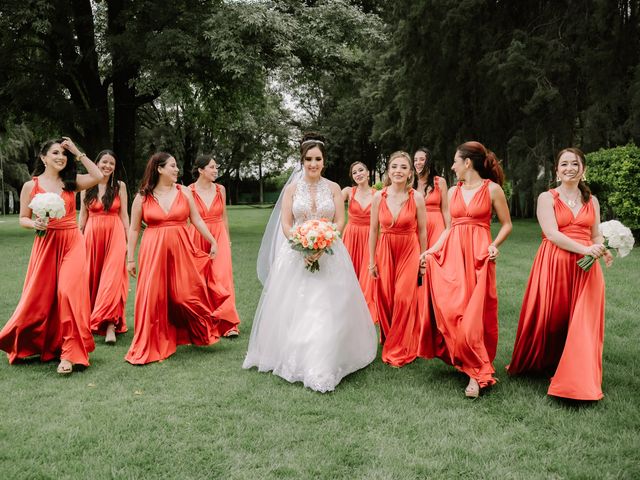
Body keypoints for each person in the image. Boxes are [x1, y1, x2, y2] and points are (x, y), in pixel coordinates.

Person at [243, 133, 378, 393]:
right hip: (296, 254)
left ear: (324, 161)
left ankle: (326, 360)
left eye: (317, 159)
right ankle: (297, 355)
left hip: (331, 254)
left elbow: (340, 220)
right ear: (302, 161)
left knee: (329, 306)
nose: (313, 164)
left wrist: (325, 241)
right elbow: (285, 223)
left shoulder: (335, 188)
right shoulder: (292, 190)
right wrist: (301, 244)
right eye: (308, 159)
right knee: (297, 307)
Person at [507, 148, 611, 401]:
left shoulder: (592, 201)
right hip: (555, 262)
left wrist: (602, 248)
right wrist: (585, 248)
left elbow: (595, 233)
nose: (569, 168)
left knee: (582, 321)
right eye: (564, 164)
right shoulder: (547, 197)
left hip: (586, 268)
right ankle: (547, 361)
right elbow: (552, 234)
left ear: (582, 168)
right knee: (553, 317)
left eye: (574, 164)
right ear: (557, 170)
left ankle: (576, 378)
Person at [0, 138, 104, 374]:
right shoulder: (31, 186)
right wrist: (34, 223)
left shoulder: (71, 182)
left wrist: (77, 152)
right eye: (55, 153)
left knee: (68, 293)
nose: (60, 157)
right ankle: (32, 341)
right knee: (40, 298)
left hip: (72, 241)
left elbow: (97, 176)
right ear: (43, 157)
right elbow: (22, 218)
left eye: (63, 154)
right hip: (46, 243)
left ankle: (70, 353)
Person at [421, 141, 512, 398]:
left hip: (479, 256)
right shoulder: (452, 192)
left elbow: (506, 225)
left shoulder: (492, 190)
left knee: (474, 316)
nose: (452, 166)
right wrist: (431, 250)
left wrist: (494, 245)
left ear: (467, 163)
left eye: (455, 161)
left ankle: (476, 373)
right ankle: (465, 357)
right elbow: (449, 228)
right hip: (453, 254)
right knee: (452, 309)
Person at [125, 152, 228, 365]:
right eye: (172, 166)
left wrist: (213, 240)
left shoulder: (184, 192)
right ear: (159, 169)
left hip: (182, 249)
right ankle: (152, 341)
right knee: (154, 297)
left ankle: (197, 331)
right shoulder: (142, 196)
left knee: (185, 295)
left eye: (176, 166)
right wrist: (130, 258)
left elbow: (197, 219)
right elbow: (134, 229)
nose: (177, 169)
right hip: (153, 250)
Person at [369, 151, 427, 367]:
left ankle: (399, 348)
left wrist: (423, 259)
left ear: (410, 172)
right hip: (385, 250)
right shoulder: (379, 196)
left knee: (403, 297)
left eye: (403, 167)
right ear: (388, 171)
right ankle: (392, 336)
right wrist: (371, 262)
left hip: (409, 250)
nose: (398, 171)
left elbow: (423, 232)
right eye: (394, 166)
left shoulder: (417, 198)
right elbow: (373, 230)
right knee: (386, 299)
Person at [79, 150, 129, 344]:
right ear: (97, 163)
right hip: (91, 236)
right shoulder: (86, 185)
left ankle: (110, 325)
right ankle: (93, 319)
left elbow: (124, 215)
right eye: (104, 162)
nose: (107, 166)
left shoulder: (119, 186)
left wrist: (127, 241)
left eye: (111, 164)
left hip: (115, 234)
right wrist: (78, 238)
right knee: (93, 278)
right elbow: (82, 216)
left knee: (112, 280)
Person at [189, 155, 240, 337]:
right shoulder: (189, 191)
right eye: (211, 167)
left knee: (222, 276)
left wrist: (226, 239)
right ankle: (205, 322)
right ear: (201, 170)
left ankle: (228, 324)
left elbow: (224, 216)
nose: (215, 170)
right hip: (197, 236)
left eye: (216, 167)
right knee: (201, 280)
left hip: (219, 236)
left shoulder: (221, 189)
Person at [413, 147, 450, 359]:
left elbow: (446, 210)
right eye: (415, 159)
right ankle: (418, 324)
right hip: (415, 230)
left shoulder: (439, 182)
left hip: (437, 229)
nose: (418, 162)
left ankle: (436, 322)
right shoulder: (409, 183)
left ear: (429, 161)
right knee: (416, 276)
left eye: (422, 159)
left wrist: (449, 231)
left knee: (433, 275)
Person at [341, 161, 377, 322]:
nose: (358, 174)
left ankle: (364, 312)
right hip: (351, 236)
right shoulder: (348, 192)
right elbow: (330, 207)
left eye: (361, 170)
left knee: (367, 275)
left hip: (370, 237)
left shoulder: (378, 194)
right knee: (349, 273)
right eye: (354, 172)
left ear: (368, 172)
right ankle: (347, 308)